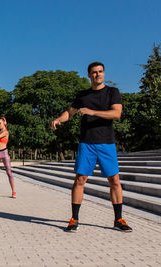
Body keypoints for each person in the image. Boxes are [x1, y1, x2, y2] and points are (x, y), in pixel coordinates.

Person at [50, 62, 132, 232]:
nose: (98, 75)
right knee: (80, 180)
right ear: (88, 75)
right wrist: (58, 119)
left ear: (104, 73)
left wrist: (92, 112)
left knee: (114, 180)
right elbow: (69, 113)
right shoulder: (83, 95)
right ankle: (74, 219)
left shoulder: (112, 92)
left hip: (107, 143)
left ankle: (119, 219)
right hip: (86, 143)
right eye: (94, 72)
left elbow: (116, 113)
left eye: (100, 71)